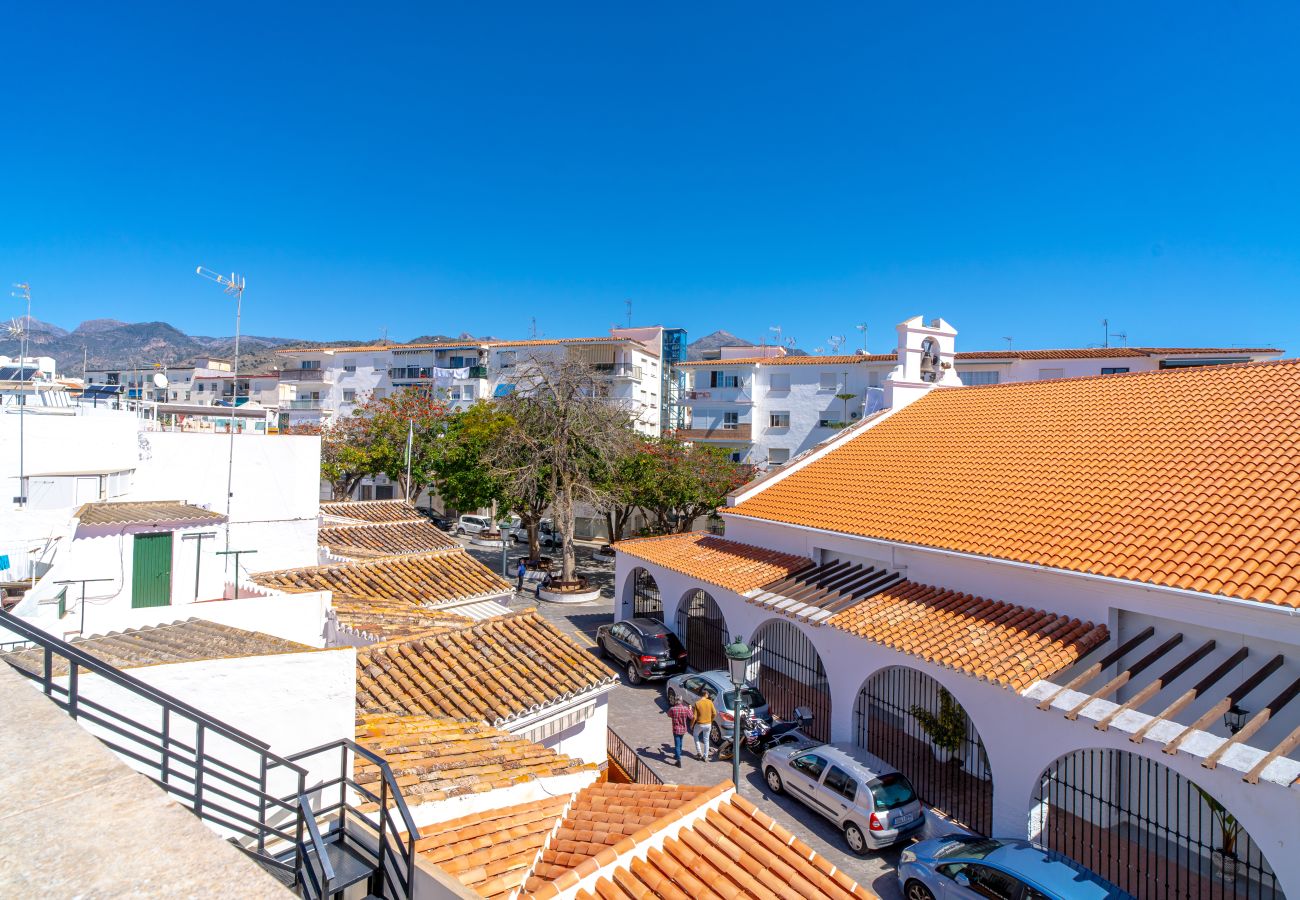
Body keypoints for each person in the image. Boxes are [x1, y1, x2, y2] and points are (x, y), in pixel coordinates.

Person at [667, 694, 691, 767]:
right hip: (683, 729)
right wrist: (690, 709)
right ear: (681, 701)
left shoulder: (673, 709)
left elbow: (668, 715)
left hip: (676, 729)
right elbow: (691, 716)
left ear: (675, 701)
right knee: (680, 742)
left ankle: (678, 759)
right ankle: (678, 754)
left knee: (677, 744)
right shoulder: (685, 709)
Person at [691, 693, 717, 762]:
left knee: (695, 735)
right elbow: (714, 713)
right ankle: (705, 756)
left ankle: (699, 752)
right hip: (708, 724)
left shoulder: (697, 703)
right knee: (706, 740)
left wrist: (691, 725)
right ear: (706, 694)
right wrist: (710, 720)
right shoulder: (710, 702)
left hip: (700, 724)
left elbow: (694, 717)